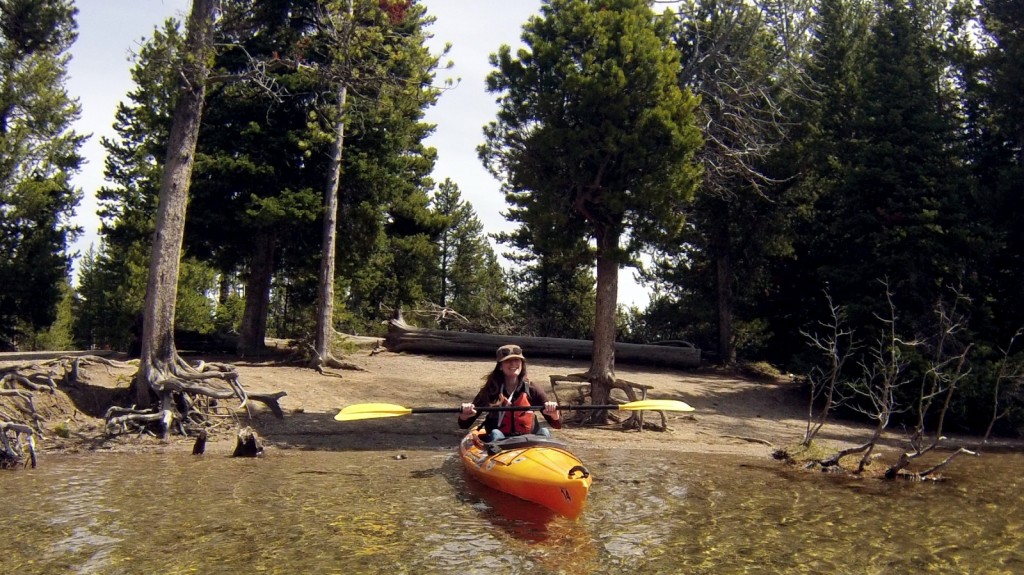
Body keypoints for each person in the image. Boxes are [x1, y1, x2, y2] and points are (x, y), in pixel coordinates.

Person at [458, 344, 561, 441]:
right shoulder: (491, 390)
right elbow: (464, 424)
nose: (513, 364)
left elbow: (557, 424)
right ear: (500, 366)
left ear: (522, 364)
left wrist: (554, 414)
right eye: (508, 361)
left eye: (517, 360)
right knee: (495, 433)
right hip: (499, 442)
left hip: (529, 440)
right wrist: (465, 414)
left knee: (545, 431)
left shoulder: (532, 389)